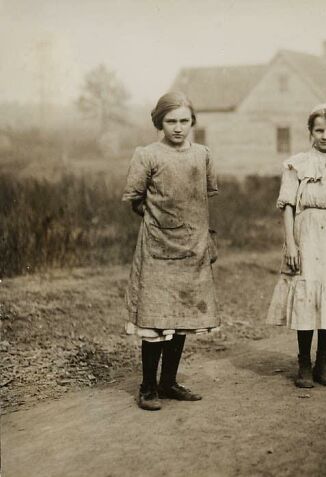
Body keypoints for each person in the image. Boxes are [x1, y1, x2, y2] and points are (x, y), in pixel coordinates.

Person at [122, 92, 219, 411]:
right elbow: (136, 198)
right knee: (155, 315)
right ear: (159, 122)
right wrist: (161, 222)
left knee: (181, 315)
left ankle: (169, 382)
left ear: (193, 122)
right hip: (157, 246)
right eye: (171, 121)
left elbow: (202, 199)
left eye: (184, 121)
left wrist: (206, 235)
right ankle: (148, 386)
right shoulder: (146, 154)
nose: (178, 128)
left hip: (193, 247)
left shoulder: (203, 154)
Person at [266, 103, 326, 388]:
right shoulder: (296, 163)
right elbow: (286, 206)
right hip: (305, 233)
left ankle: (323, 361)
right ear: (310, 132)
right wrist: (291, 244)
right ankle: (304, 364)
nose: (325, 136)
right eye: (319, 130)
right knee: (307, 295)